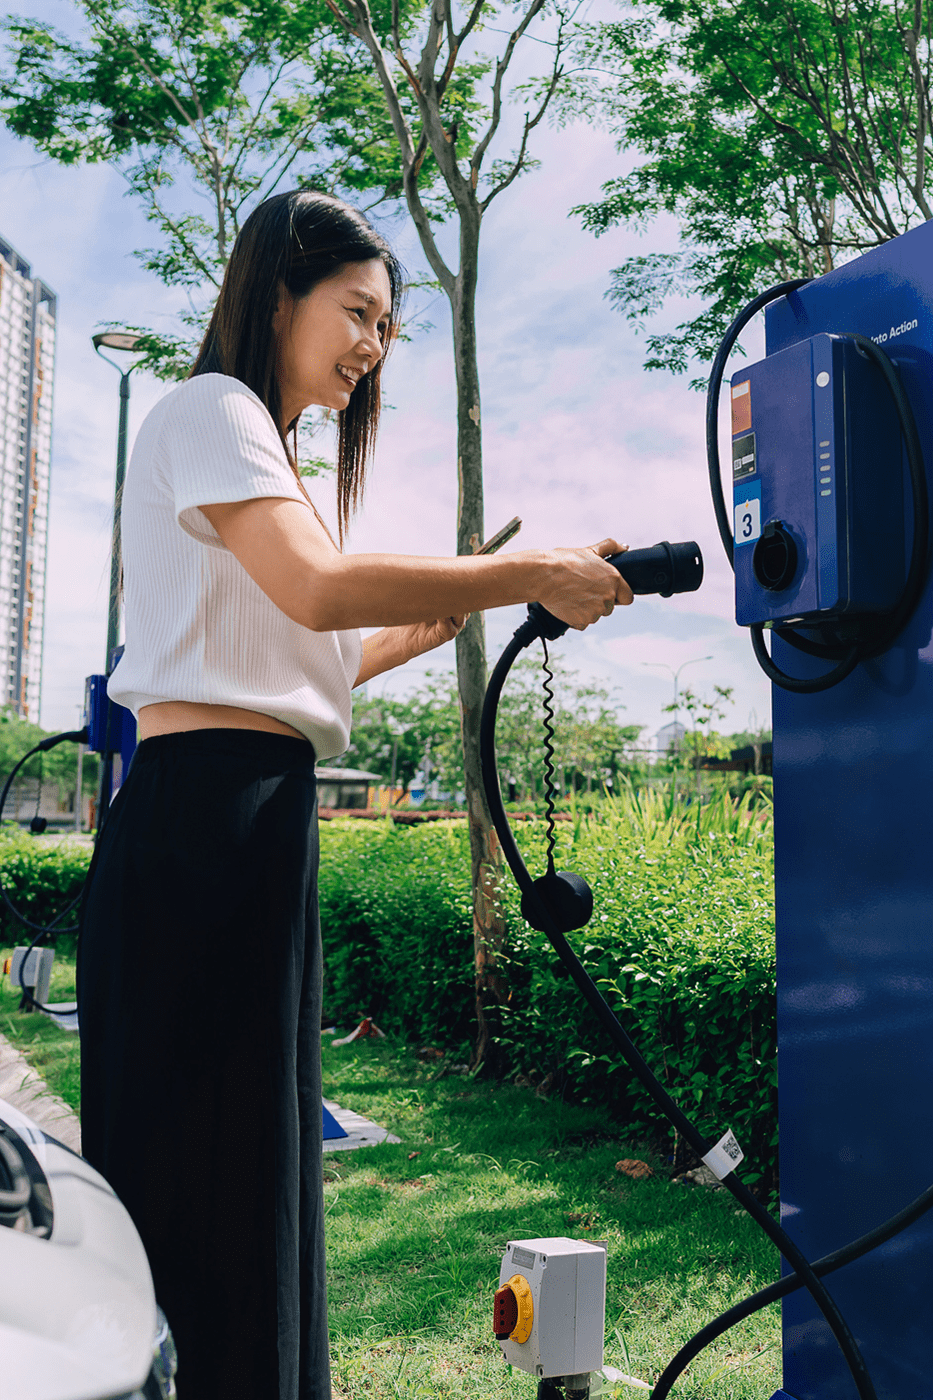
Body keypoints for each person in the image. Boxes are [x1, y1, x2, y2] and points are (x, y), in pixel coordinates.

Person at [75, 189, 633, 1400]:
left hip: (249, 816)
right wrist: (518, 565)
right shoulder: (214, 409)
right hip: (205, 823)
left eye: (388, 326)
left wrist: (454, 612)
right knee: (206, 1173)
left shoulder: (265, 461)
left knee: (247, 1175)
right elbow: (319, 593)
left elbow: (307, 651)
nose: (373, 346)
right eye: (358, 311)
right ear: (279, 290)